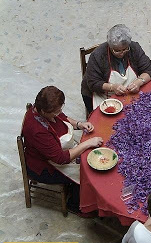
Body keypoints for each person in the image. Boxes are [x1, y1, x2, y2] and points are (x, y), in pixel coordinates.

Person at [22, 86, 103, 214]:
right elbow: (61, 158)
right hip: (45, 167)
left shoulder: (42, 109)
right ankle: (74, 204)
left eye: (60, 108)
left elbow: (62, 117)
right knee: (86, 170)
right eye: (56, 111)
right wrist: (87, 143)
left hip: (55, 152)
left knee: (86, 157)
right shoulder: (38, 130)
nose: (59, 113)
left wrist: (79, 124)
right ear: (43, 111)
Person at [81, 24, 151, 113]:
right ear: (110, 46)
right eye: (117, 51)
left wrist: (138, 82)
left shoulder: (134, 48)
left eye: (125, 49)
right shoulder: (97, 55)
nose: (121, 53)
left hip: (129, 91)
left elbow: (149, 70)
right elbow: (93, 83)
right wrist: (112, 87)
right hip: (104, 94)